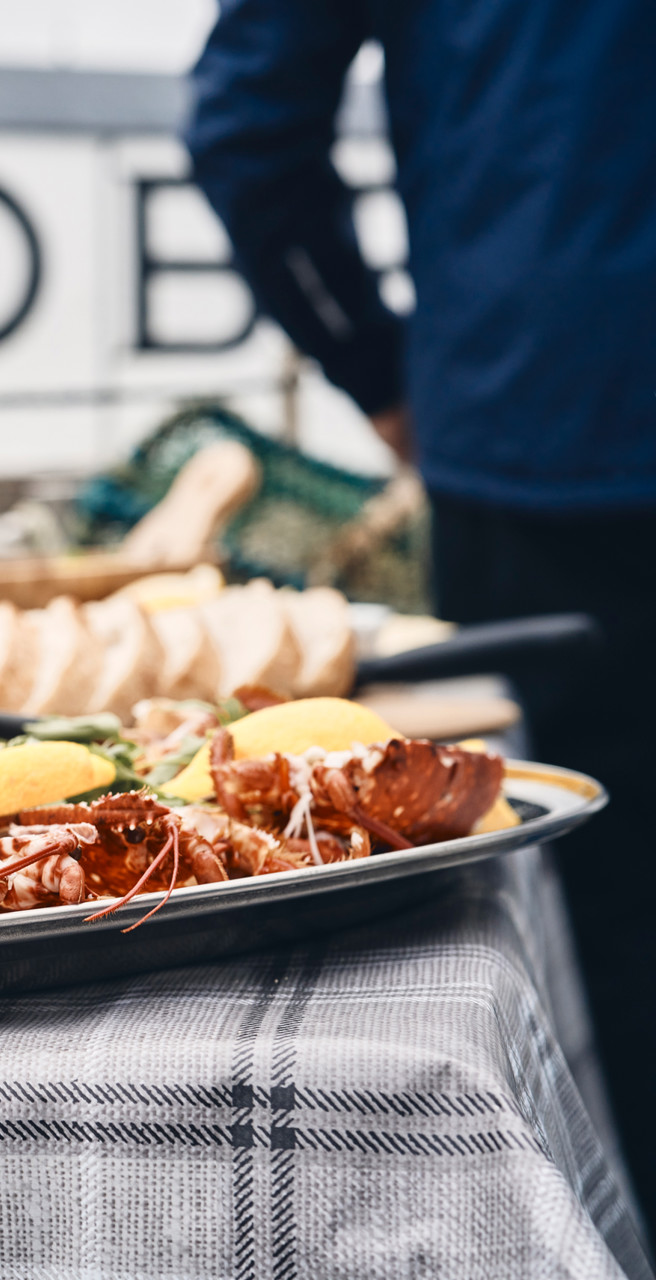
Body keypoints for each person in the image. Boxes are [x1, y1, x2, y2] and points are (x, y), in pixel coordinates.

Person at [186, 0, 656, 1219]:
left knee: (606, 912)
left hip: (545, 427)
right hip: (547, 436)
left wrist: (377, 364)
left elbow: (249, 125)